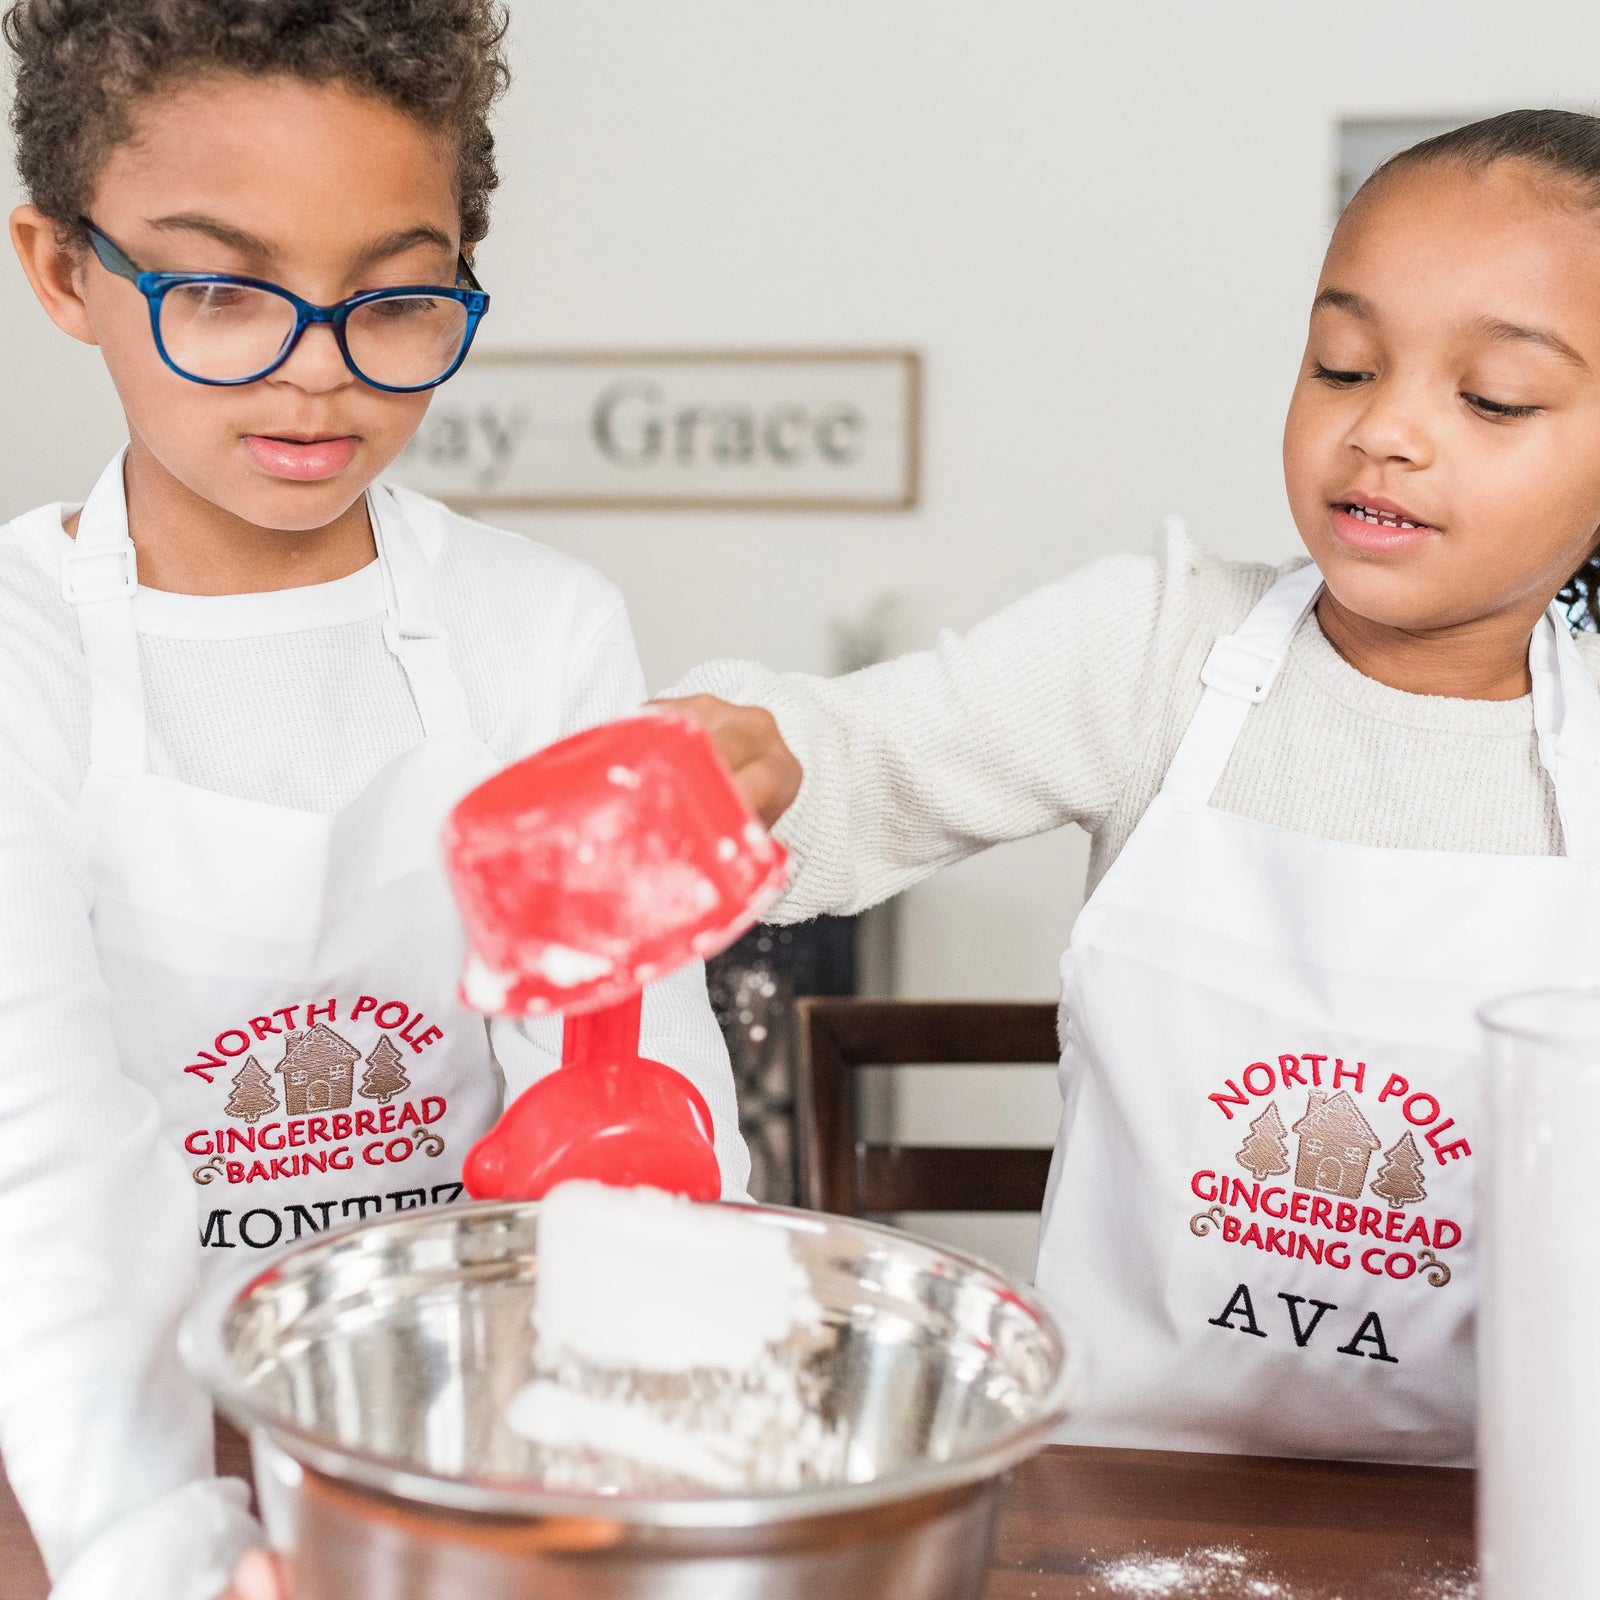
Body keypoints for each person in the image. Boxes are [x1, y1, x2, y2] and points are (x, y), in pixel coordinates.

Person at [671, 109, 1600, 1468]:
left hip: (1499, 1513)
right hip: (1108, 1490)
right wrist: (756, 755)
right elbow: (858, 766)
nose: (1385, 429)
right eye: (1343, 365)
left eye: (1493, 397)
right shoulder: (1157, 653)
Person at [0, 2, 748, 1596]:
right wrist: (153, 1555)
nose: (317, 372)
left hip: (474, 1456)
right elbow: (40, 1152)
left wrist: (606, 1476)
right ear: (62, 270)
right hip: (102, 1451)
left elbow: (631, 1104)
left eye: (393, 300)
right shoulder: (21, 652)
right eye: (216, 290)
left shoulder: (538, 628)